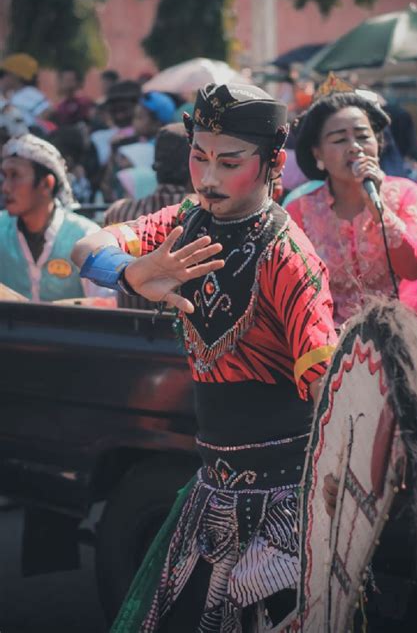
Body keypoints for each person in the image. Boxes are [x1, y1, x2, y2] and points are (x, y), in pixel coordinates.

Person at [73, 82, 337, 631]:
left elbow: (324, 381)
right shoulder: (185, 222)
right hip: (211, 487)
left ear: (273, 163)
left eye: (229, 161)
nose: (209, 177)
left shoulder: (289, 258)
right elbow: (86, 246)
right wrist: (126, 273)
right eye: (199, 157)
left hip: (284, 504)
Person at [286, 74, 417, 332]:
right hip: (333, 342)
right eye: (339, 139)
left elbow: (414, 267)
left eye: (363, 136)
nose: (355, 147)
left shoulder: (406, 193)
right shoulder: (299, 211)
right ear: (317, 153)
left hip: (409, 333)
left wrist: (380, 212)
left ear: (378, 143)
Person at [0, 133, 103, 301]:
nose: (5, 187)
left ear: (46, 184)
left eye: (15, 175)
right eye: (4, 177)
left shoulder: (85, 236)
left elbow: (106, 303)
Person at [104, 122, 192, 309]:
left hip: (126, 330)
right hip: (182, 331)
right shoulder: (202, 213)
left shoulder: (118, 211)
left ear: (154, 166)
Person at [0, 53, 51, 129]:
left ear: (15, 76)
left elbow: (48, 113)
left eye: (5, 74)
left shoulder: (30, 93)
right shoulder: (11, 95)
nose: (3, 78)